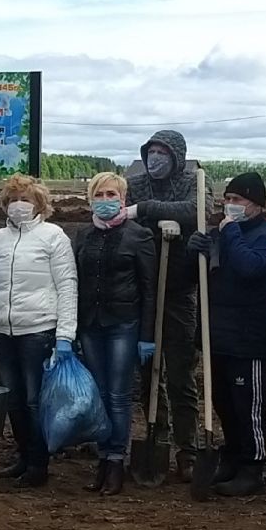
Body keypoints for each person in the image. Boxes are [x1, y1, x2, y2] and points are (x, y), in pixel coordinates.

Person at [0, 174, 78, 489]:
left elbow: (67, 285)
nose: (19, 206)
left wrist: (65, 336)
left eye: (26, 200)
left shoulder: (54, 237)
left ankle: (39, 463)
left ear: (40, 205)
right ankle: (23, 455)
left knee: (35, 401)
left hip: (38, 331)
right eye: (13, 200)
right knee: (14, 400)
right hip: (4, 331)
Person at [189, 172, 266, 496]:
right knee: (223, 401)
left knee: (248, 406)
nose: (230, 206)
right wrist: (197, 250)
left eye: (238, 201)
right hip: (219, 334)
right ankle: (231, 455)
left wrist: (229, 233)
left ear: (256, 205)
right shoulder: (220, 235)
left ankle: (253, 465)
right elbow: (204, 276)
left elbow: (249, 267)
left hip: (251, 338)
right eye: (227, 200)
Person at [118, 131, 205, 483]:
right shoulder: (134, 183)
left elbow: (197, 211)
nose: (155, 158)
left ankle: (189, 449)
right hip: (142, 287)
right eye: (151, 151)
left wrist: (149, 211)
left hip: (180, 288)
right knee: (148, 373)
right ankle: (159, 437)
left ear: (176, 156)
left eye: (162, 152)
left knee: (181, 374)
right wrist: (141, 213)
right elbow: (122, 216)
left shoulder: (193, 180)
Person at [72, 171, 157, 495]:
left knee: (119, 396)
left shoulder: (138, 236)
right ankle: (102, 458)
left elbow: (149, 289)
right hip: (91, 324)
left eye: (113, 195)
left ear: (124, 199)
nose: (106, 201)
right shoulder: (84, 235)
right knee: (99, 393)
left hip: (123, 323)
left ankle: (116, 462)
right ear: (91, 198)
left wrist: (146, 335)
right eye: (100, 195)